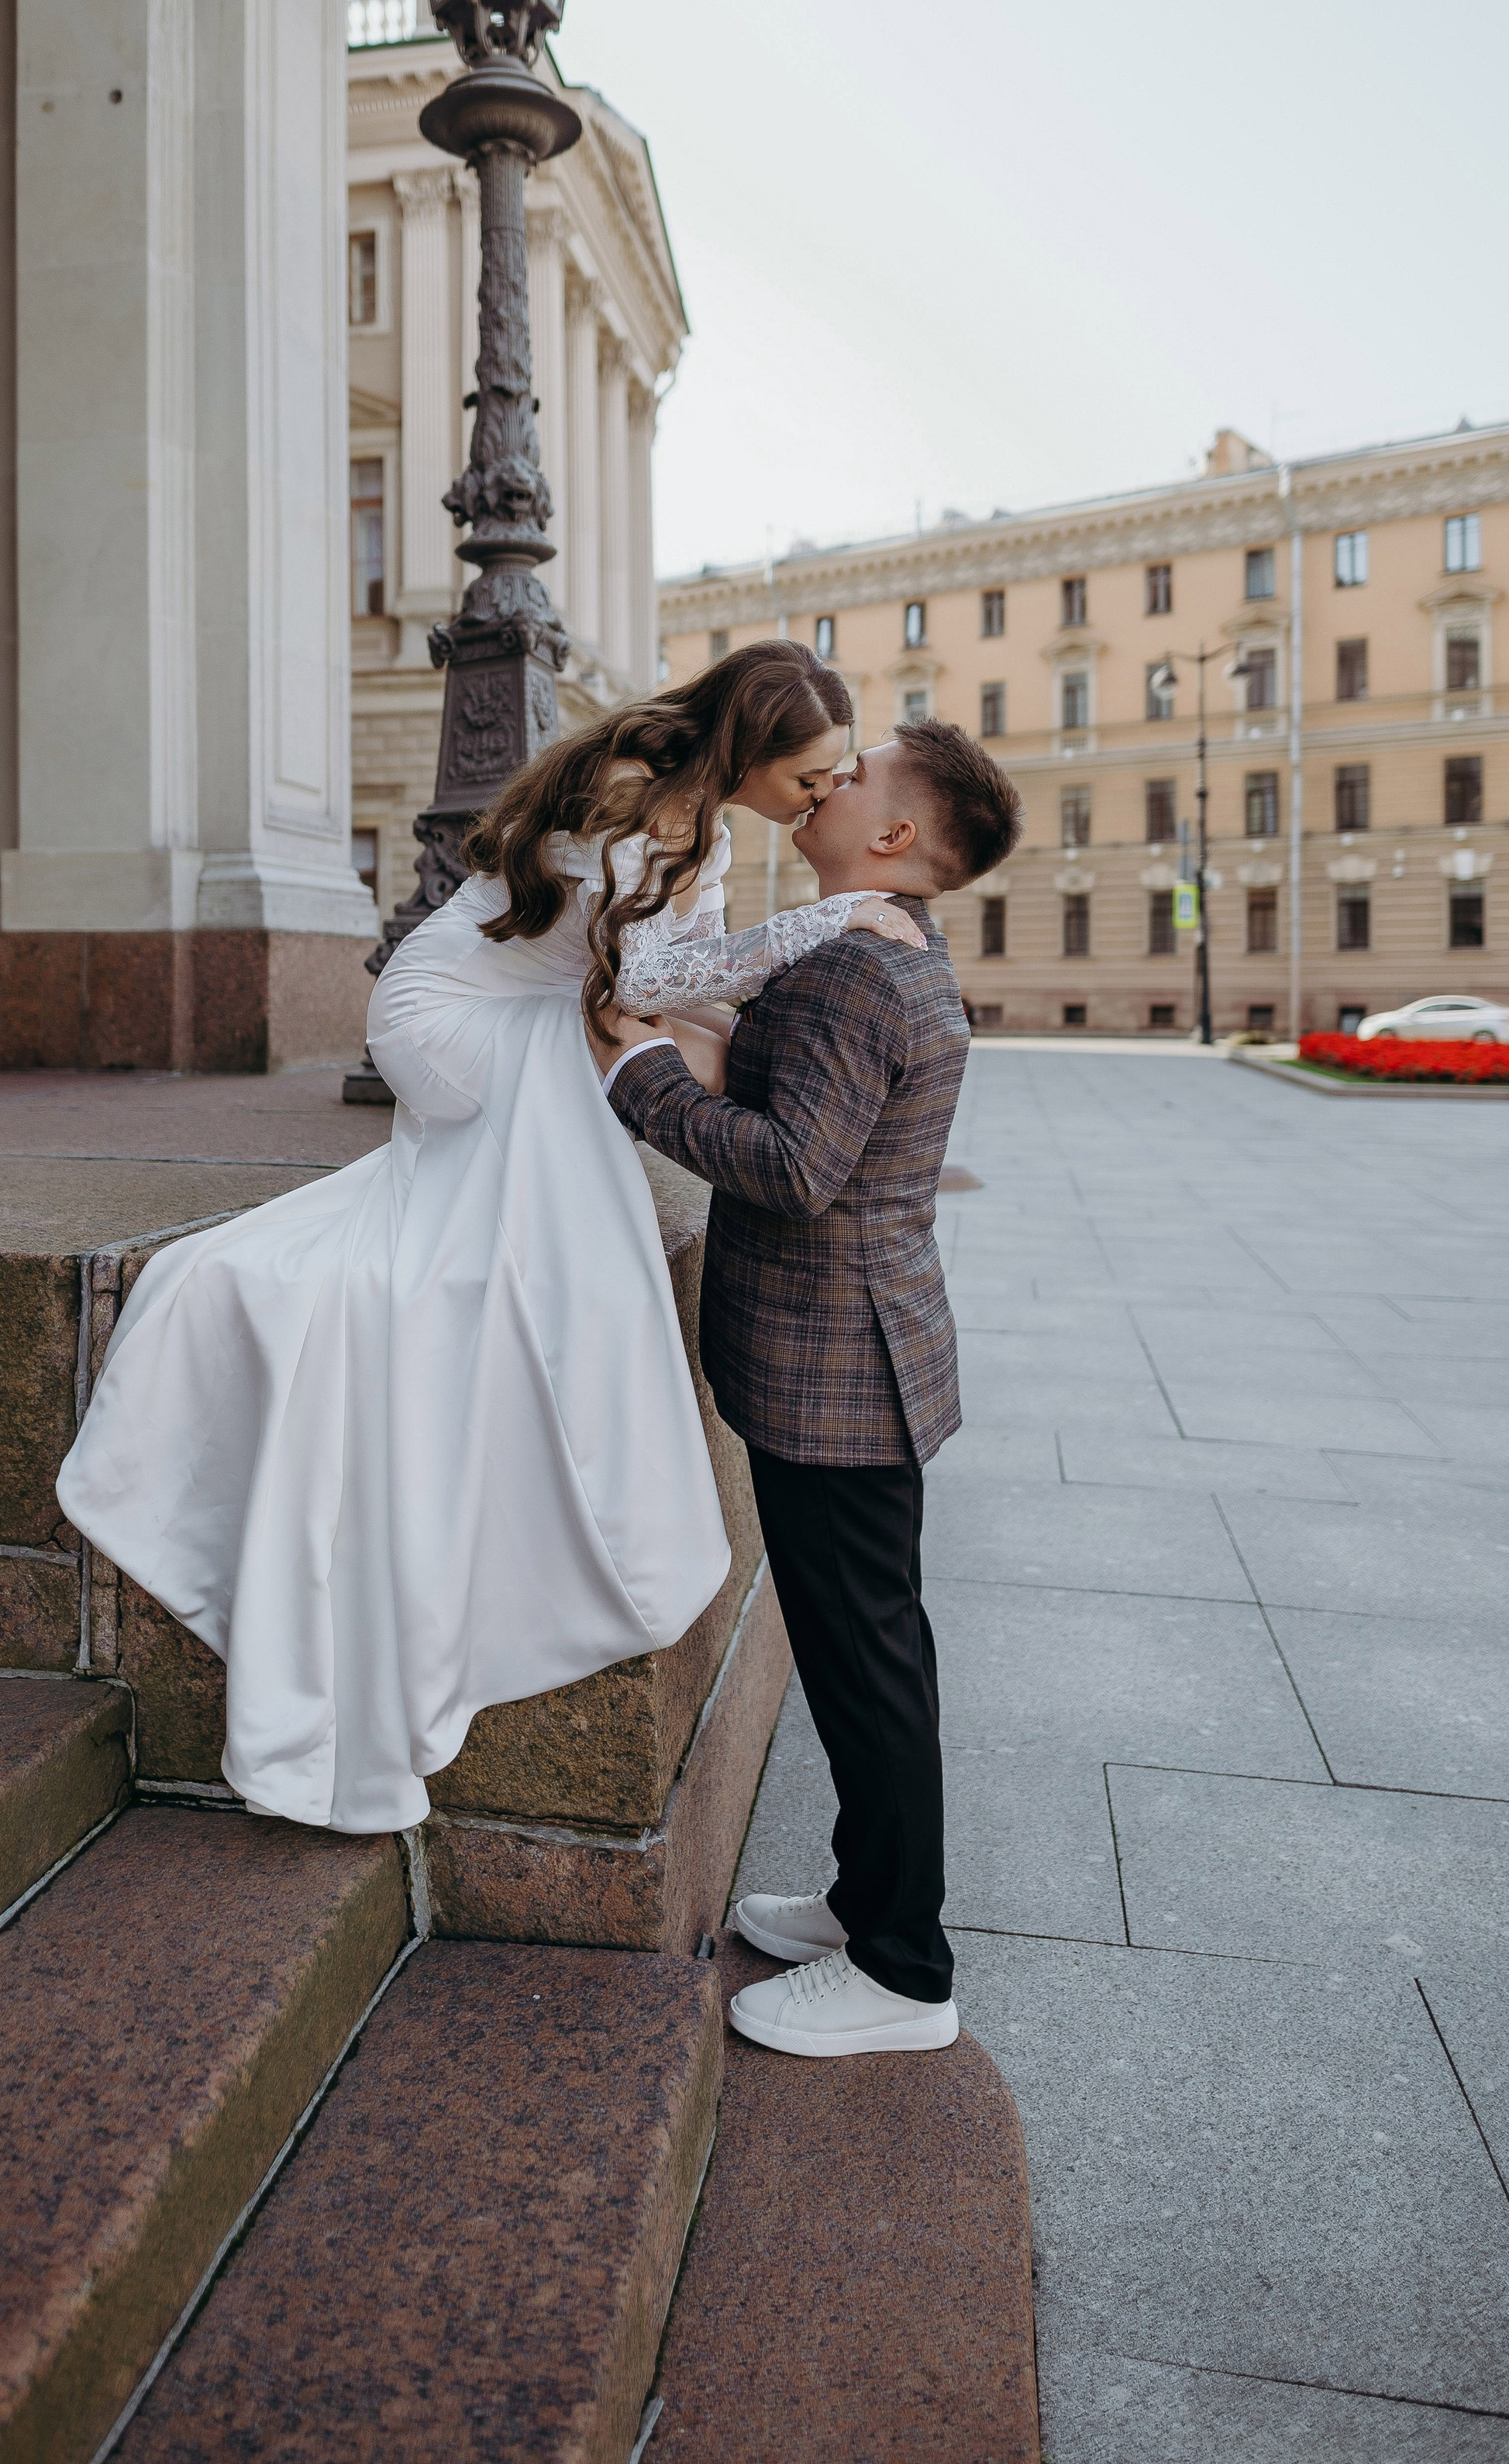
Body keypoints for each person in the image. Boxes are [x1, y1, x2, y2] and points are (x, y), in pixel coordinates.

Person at [56, 642, 927, 1834]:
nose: (825, 797)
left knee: (595, 1079)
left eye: (838, 781)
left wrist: (783, 1036)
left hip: (541, 1010)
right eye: (814, 776)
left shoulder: (707, 825)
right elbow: (653, 974)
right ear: (752, 749)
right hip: (446, 1015)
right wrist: (826, 925)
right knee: (573, 1096)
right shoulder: (636, 793)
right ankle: (526, 1315)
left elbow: (661, 993)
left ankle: (539, 1324)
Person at [594, 718, 1024, 2060]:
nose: (834, 777)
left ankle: (905, 1970)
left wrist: (639, 1073)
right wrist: (703, 1025)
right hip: (863, 1353)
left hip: (839, 1365)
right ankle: (865, 1903)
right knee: (867, 1654)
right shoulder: (870, 947)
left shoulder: (857, 967)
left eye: (863, 774)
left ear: (894, 838)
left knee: (867, 1664)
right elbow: (803, 1090)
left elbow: (790, 1166)